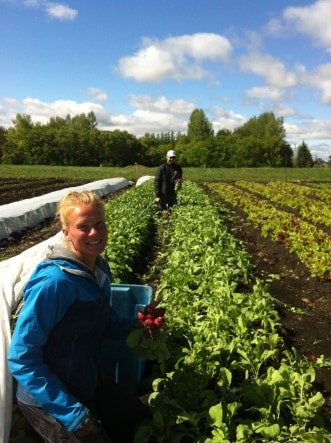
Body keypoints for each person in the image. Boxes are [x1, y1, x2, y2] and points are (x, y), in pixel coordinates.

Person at [7, 191, 149, 443]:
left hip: (82, 380)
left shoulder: (98, 269)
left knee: (138, 420)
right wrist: (71, 413)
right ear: (66, 232)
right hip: (47, 397)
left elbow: (101, 322)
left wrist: (135, 325)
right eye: (83, 227)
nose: (95, 233)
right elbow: (21, 356)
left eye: (99, 224)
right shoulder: (55, 282)